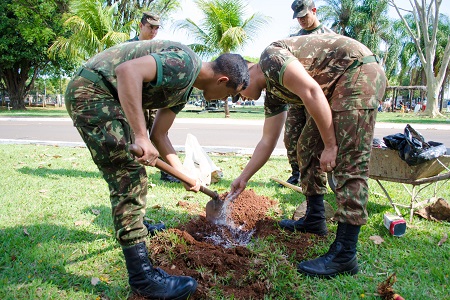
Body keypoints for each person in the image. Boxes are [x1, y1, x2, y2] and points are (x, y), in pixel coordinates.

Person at [65, 40, 249, 299]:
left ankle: (137, 226)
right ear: (222, 80)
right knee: (129, 177)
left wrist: (184, 173)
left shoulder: (184, 90)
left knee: (130, 175)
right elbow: (128, 71)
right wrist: (140, 136)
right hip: (93, 93)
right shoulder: (185, 65)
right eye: (230, 94)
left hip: (109, 98)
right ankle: (142, 279)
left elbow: (159, 135)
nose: (228, 100)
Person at [230, 33, 386, 278]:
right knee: (306, 148)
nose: (240, 99)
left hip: (357, 73)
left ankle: (345, 253)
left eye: (237, 93)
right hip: (336, 86)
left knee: (349, 160)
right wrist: (244, 178)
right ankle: (314, 218)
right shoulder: (272, 92)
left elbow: (312, 92)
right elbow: (267, 140)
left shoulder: (270, 58)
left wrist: (332, 145)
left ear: (245, 75)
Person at [280, 0, 335, 187]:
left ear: (314, 11)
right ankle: (296, 173)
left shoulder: (329, 37)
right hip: (297, 97)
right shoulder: (293, 39)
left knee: (312, 140)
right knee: (291, 137)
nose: (301, 20)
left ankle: (315, 176)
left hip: (319, 96)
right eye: (298, 18)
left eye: (304, 16)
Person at [127, 12, 180, 183]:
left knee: (159, 133)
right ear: (141, 26)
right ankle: (134, 171)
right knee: (135, 135)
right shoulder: (128, 48)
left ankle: (168, 172)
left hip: (154, 99)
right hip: (136, 101)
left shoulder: (158, 49)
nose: (154, 31)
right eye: (151, 27)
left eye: (157, 28)